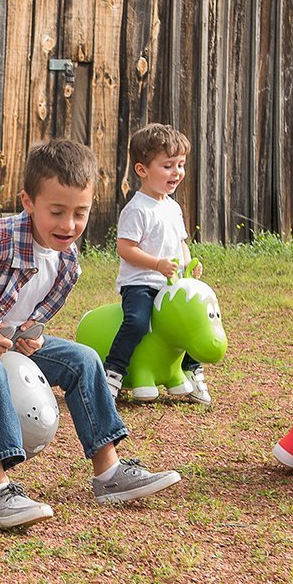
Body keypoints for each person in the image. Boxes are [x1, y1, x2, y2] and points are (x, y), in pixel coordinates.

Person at [0, 139, 181, 531]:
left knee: (84, 359)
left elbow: (31, 316)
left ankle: (109, 472)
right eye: (56, 212)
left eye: (80, 213)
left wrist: (27, 336)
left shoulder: (68, 263)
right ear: (28, 201)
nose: (68, 225)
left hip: (0, 340)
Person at [102, 123, 209, 405]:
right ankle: (113, 371)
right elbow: (125, 248)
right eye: (168, 166)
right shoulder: (137, 209)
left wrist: (189, 267)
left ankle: (192, 370)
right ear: (142, 170)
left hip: (170, 284)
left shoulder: (173, 207)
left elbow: (181, 243)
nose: (177, 173)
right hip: (141, 284)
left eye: (181, 165)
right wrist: (157, 264)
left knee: (193, 320)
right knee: (137, 322)